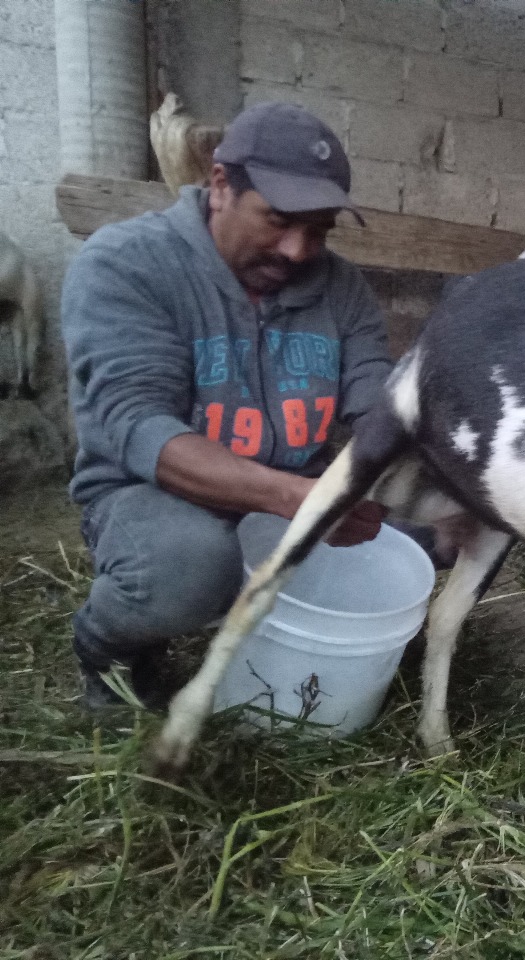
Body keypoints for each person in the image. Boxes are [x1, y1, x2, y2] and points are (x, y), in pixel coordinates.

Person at [62, 102, 392, 710]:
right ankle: (106, 647)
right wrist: (307, 501)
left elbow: (375, 393)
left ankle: (308, 646)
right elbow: (140, 428)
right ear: (219, 185)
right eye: (279, 220)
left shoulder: (340, 287)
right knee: (188, 566)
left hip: (293, 486)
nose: (297, 249)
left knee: (422, 530)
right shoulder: (128, 265)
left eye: (318, 231)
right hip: (154, 494)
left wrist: (407, 471)